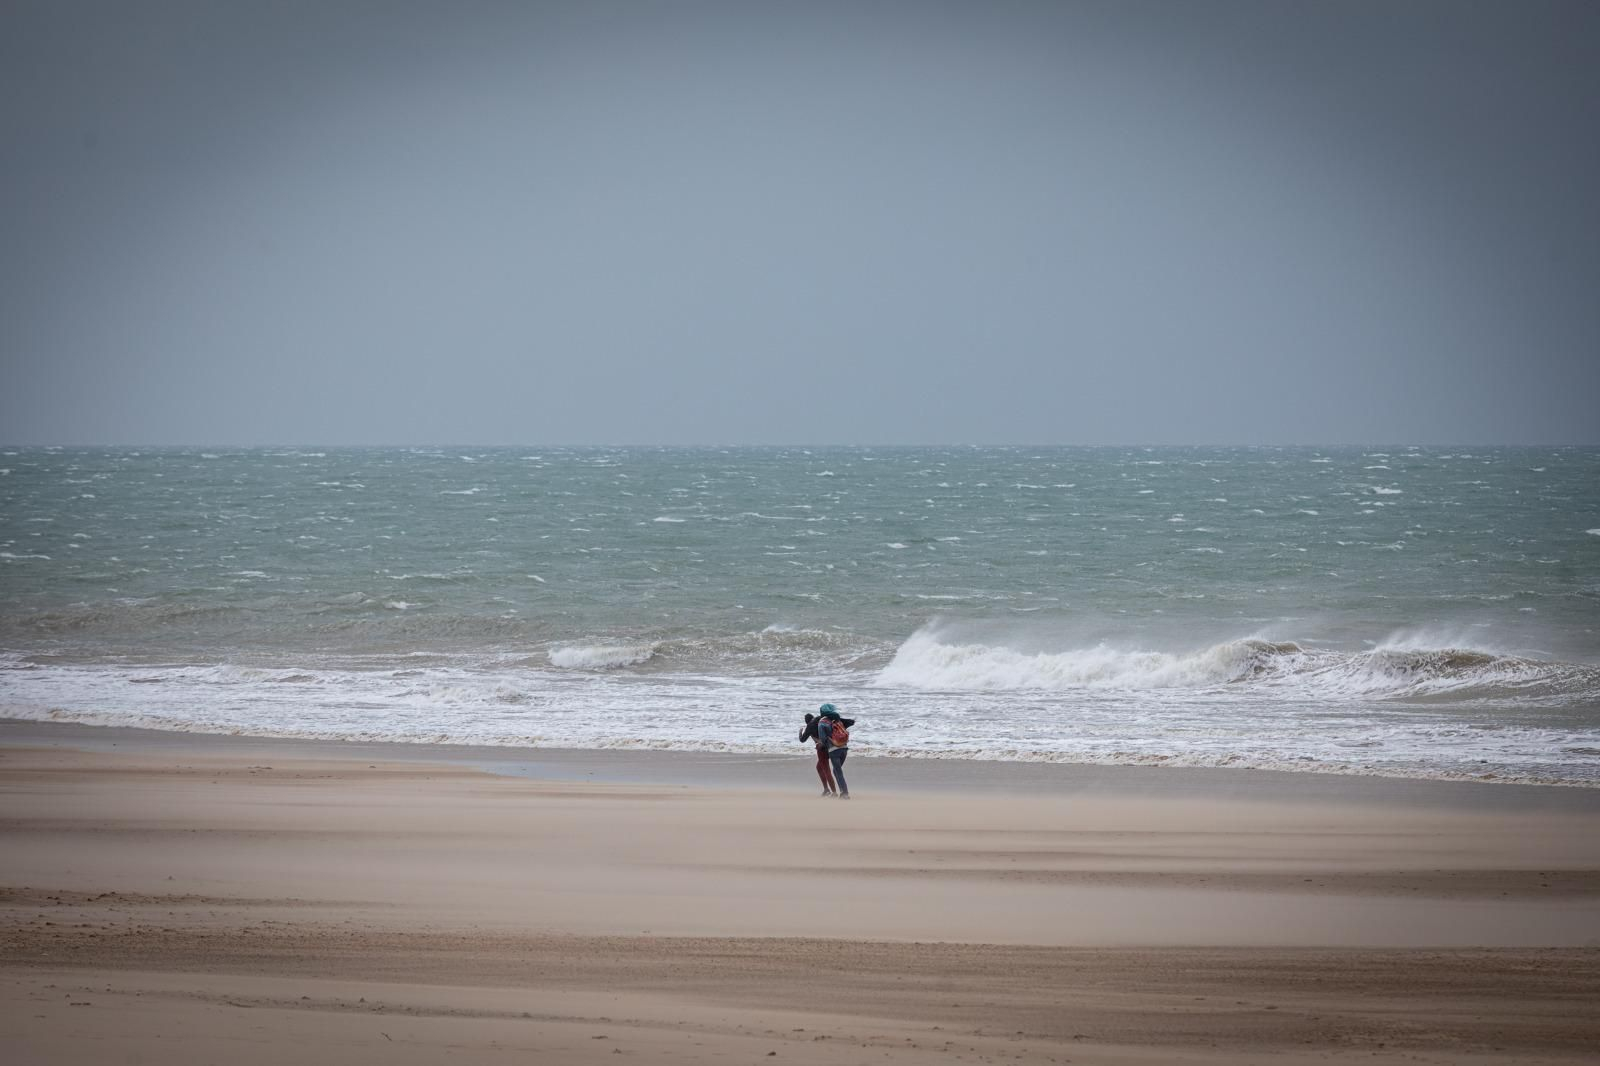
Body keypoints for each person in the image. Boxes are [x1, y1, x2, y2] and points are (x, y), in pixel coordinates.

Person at [815, 702, 855, 800]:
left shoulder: (822, 723)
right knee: (836, 771)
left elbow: (823, 739)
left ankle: (844, 793)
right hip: (844, 748)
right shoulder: (837, 720)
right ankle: (842, 791)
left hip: (834, 750)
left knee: (838, 771)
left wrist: (822, 745)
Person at [799, 711, 837, 797]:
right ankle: (826, 789)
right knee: (819, 768)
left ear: (806, 722)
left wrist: (800, 732)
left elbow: (802, 740)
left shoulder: (809, 726)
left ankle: (834, 792)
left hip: (822, 749)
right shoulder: (820, 720)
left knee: (826, 770)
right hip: (831, 746)